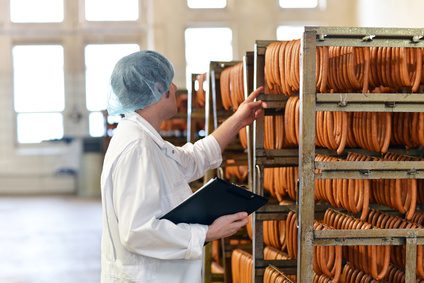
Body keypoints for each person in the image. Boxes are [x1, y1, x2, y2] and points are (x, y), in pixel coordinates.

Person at [100, 50, 266, 283]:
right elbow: (137, 231)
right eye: (169, 82)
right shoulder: (137, 147)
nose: (175, 87)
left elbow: (192, 159)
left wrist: (239, 119)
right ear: (158, 88)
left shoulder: (145, 140)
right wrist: (208, 232)